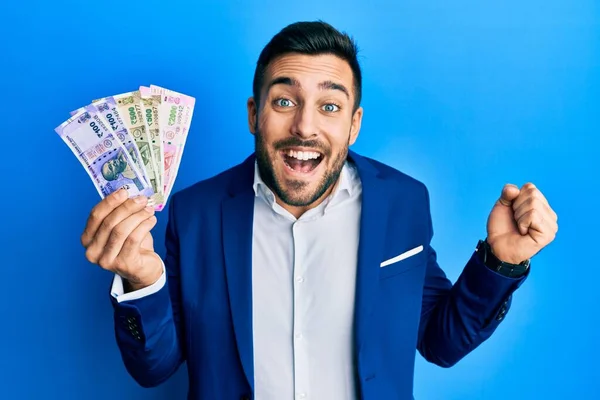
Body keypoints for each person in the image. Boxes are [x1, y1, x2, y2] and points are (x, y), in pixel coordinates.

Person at [81, 21, 558, 400]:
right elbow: (156, 367)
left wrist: (503, 261)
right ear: (254, 114)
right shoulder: (197, 212)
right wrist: (143, 282)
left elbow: (439, 341)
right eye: (285, 101)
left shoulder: (403, 202)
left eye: (329, 107)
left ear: (353, 125)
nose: (304, 126)